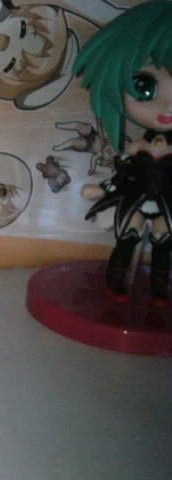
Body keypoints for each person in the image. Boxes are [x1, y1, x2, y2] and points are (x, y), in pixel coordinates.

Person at [75, 1, 172, 307]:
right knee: (127, 236)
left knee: (164, 243)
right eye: (145, 87)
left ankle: (159, 289)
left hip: (168, 204)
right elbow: (124, 173)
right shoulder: (136, 147)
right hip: (136, 199)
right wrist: (103, 189)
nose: (166, 107)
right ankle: (115, 283)